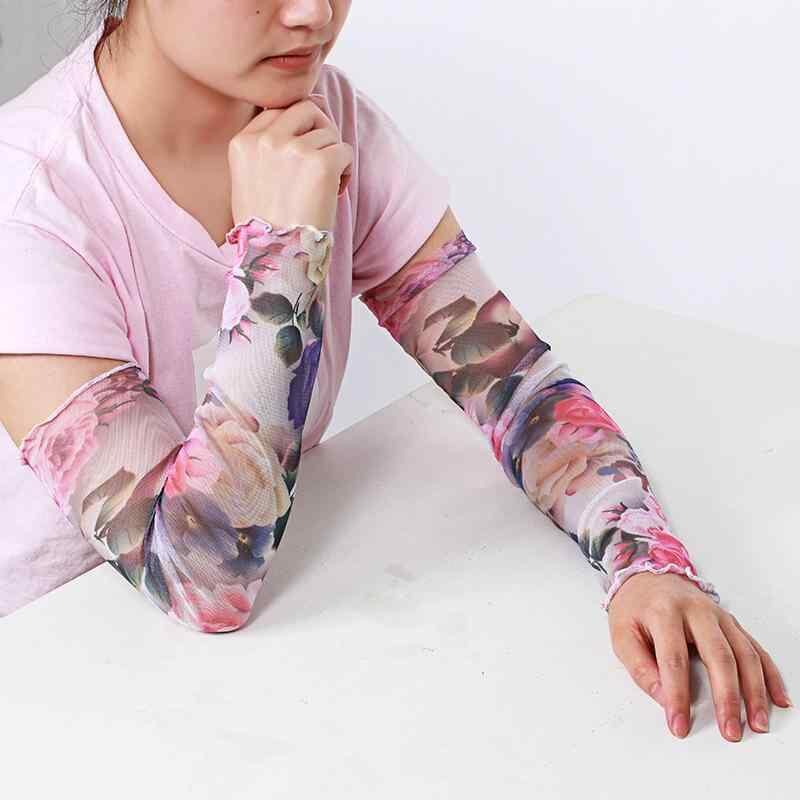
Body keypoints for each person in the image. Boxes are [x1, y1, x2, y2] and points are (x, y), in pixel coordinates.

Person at [0, 1, 790, 743]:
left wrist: (646, 563)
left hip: (257, 678)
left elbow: (514, 382)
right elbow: (199, 580)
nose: (313, 13)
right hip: (53, 687)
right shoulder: (29, 203)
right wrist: (281, 250)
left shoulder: (321, 122)